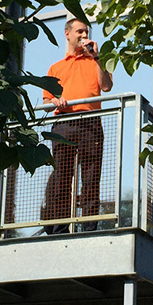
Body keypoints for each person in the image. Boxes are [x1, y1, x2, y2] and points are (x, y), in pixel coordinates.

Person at [41, 18, 113, 235]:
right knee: (62, 176)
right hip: (63, 123)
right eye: (80, 31)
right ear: (68, 34)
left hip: (90, 122)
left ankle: (89, 228)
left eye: (86, 32)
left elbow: (107, 86)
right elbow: (46, 103)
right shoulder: (56, 67)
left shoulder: (96, 62)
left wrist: (97, 57)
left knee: (91, 176)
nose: (84, 35)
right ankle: (60, 228)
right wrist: (55, 101)